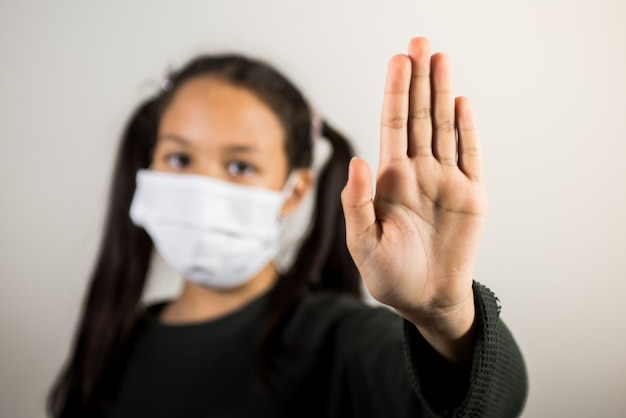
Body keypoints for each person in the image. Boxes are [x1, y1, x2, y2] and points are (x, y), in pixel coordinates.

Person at [48, 37, 528, 417]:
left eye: (240, 167)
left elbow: (486, 406)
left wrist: (443, 314)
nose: (201, 185)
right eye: (178, 158)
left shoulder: (342, 341)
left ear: (294, 191)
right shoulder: (114, 343)